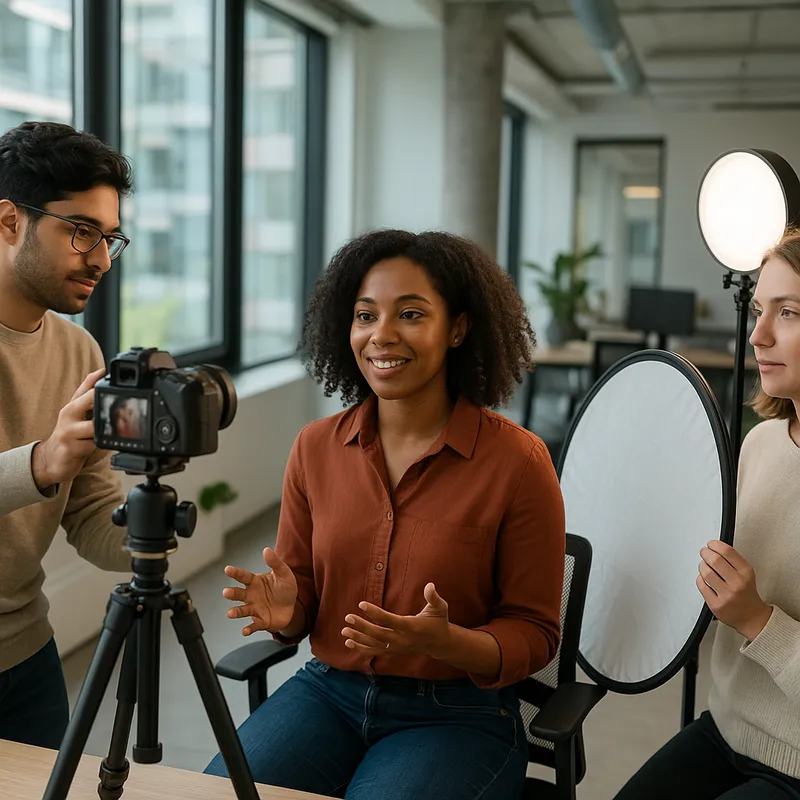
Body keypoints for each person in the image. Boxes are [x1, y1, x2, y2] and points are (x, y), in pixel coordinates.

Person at [205, 229, 566, 798]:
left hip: (455, 714)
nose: (382, 335)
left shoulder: (518, 462)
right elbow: (302, 593)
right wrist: (288, 612)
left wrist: (448, 642)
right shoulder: (315, 447)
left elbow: (536, 633)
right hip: (328, 691)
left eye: (412, 314)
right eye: (365, 315)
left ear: (459, 329)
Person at [614, 228, 800, 799]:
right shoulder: (761, 445)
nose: (758, 333)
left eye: (788, 312)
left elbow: (747, 612)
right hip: (725, 730)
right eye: (760, 309)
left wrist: (756, 620)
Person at [0, 121, 134, 750]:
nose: (102, 259)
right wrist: (42, 460)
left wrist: (148, 531)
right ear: (9, 221)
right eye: (82, 231)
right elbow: (50, 467)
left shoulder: (80, 349)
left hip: (24, 652)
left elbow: (86, 510)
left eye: (110, 237)